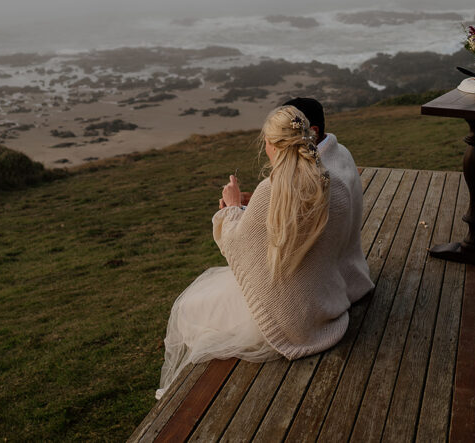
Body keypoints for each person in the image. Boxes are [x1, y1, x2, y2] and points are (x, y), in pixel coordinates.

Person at [155, 106, 374, 398]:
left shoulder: (270, 191)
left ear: (272, 145)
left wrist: (232, 207)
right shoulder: (330, 182)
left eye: (267, 142)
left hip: (289, 316)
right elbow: (291, 229)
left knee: (190, 308)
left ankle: (182, 394)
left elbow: (238, 245)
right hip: (324, 302)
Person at [283, 97, 371, 303]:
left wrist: (232, 213)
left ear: (312, 131)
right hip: (353, 271)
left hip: (324, 289)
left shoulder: (315, 178)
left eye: (286, 132)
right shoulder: (341, 152)